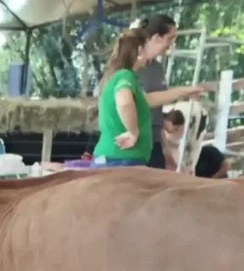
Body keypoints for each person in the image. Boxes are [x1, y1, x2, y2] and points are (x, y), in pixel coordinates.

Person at [136, 15, 210, 169]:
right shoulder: (133, 68)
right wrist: (182, 91)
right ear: (156, 38)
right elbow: (143, 101)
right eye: (169, 38)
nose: (171, 44)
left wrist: (166, 149)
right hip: (134, 141)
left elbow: (157, 105)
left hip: (154, 140)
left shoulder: (157, 68)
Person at [90, 29, 155, 166]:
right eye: (147, 48)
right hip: (122, 159)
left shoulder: (114, 76)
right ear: (140, 50)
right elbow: (124, 102)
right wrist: (133, 132)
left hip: (112, 157)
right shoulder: (125, 75)